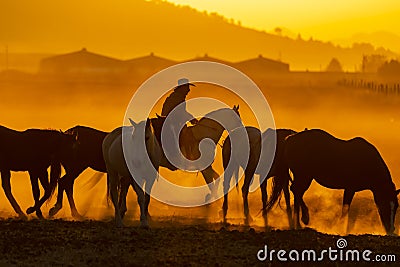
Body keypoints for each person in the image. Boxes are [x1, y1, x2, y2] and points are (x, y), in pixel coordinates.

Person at [161, 78, 197, 163]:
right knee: (186, 136)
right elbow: (179, 112)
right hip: (172, 123)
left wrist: (191, 118)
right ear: (182, 88)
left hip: (172, 122)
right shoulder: (176, 98)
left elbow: (181, 112)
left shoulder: (177, 97)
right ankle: (181, 156)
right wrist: (191, 118)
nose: (188, 90)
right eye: (187, 87)